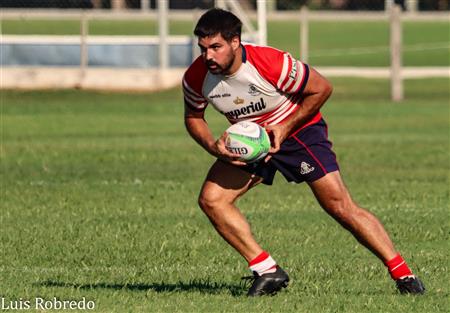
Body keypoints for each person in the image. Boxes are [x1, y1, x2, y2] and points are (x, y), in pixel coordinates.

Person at [182, 8, 425, 297]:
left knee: (339, 206)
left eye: (215, 47)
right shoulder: (197, 76)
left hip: (298, 132)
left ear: (235, 42)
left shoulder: (269, 62)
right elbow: (193, 116)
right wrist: (213, 146)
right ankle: (267, 270)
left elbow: (321, 89)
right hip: (251, 142)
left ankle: (404, 275)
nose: (208, 56)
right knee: (212, 200)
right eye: (203, 48)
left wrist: (284, 127)